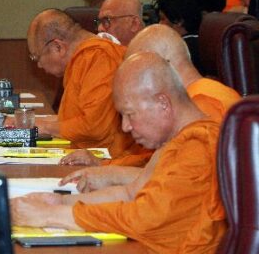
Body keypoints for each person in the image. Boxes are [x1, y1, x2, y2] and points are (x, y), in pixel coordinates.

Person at [11, 52, 226, 254]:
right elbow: (132, 194)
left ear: (163, 103)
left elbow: (145, 217)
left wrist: (51, 215)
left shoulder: (200, 146)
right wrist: (61, 201)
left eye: (130, 114)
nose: (124, 127)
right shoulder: (176, 142)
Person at [60, 23, 240, 182]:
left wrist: (112, 173)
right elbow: (157, 162)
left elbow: (176, 182)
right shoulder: (185, 100)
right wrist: (104, 164)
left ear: (161, 66)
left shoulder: (204, 104)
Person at [27, 9, 144, 159]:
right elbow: (74, 118)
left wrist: (42, 126)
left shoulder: (98, 57)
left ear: (58, 47)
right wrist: (31, 122)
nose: (39, 66)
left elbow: (95, 126)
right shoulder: (84, 59)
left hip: (112, 161)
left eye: (36, 57)